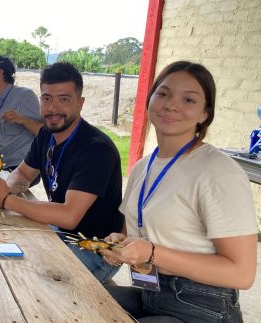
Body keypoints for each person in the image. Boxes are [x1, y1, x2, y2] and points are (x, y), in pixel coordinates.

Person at [101, 61, 258, 322]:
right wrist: (120, 243)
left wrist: (151, 253)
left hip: (204, 305)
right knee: (75, 301)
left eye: (188, 99)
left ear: (204, 114)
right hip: (151, 291)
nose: (171, 105)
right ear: (150, 99)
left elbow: (242, 273)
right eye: (163, 94)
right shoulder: (143, 166)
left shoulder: (219, 172)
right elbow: (136, 232)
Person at [0, 62, 123, 284]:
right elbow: (23, 174)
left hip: (94, 251)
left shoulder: (96, 149)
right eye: (47, 99)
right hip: (58, 232)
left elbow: (69, 216)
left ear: (80, 103)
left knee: (17, 278)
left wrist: (6, 200)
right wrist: (4, 188)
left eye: (64, 99)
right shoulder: (47, 134)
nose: (53, 108)